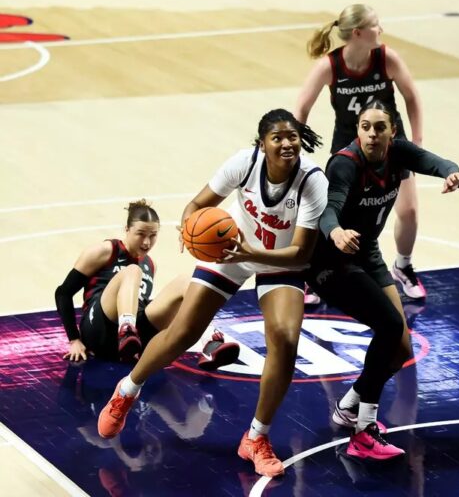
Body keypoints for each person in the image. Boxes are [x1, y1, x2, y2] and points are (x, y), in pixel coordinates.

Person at [96, 109, 329, 479]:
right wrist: (191, 231)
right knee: (184, 331)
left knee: (285, 339)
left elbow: (301, 252)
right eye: (277, 137)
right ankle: (127, 390)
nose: (287, 143)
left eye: (292, 136)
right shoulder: (244, 163)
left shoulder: (312, 180)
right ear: (262, 144)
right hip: (230, 248)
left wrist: (252, 253)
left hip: (279, 260)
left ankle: (256, 438)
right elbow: (197, 206)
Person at [306, 100, 459, 460]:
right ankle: (364, 430)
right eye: (365, 127)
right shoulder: (345, 163)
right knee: (390, 326)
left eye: (379, 127)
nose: (372, 134)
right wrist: (336, 231)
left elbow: (432, 160)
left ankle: (348, 405)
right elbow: (329, 208)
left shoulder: (399, 152)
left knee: (401, 347)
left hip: (368, 255)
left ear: (392, 132)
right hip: (332, 260)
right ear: (357, 130)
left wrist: (451, 172)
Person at [296, 3, 427, 301]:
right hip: (348, 146)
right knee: (333, 213)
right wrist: (297, 145)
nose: (381, 30)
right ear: (357, 33)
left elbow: (412, 96)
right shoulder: (330, 66)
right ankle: (312, 273)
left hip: (391, 144)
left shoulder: (386, 58)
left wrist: (416, 141)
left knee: (408, 210)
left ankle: (403, 266)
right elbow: (301, 106)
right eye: (375, 25)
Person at [54, 200, 233, 365]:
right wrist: (74, 339)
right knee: (133, 271)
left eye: (153, 235)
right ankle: (126, 330)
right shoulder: (105, 250)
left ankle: (210, 340)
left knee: (186, 280)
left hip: (134, 339)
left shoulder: (150, 264)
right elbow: (63, 293)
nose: (147, 242)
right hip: (98, 329)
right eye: (140, 234)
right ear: (127, 229)